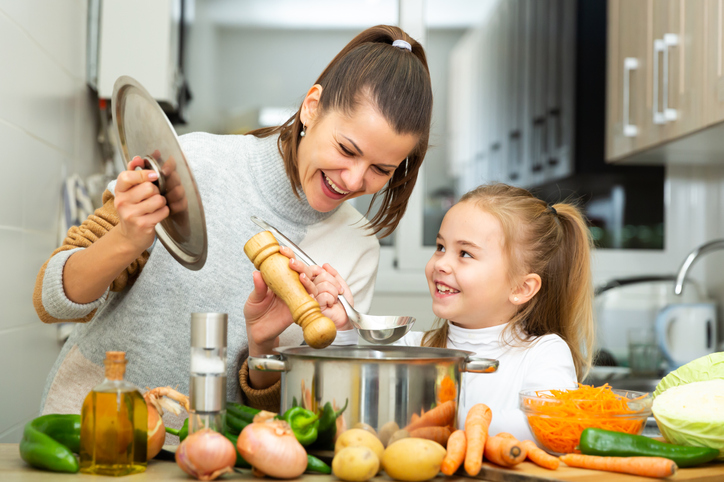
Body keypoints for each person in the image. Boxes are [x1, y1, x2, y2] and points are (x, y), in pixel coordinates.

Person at [32, 25, 433, 429]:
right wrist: (126, 239)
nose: (352, 181)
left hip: (209, 455)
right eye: (347, 150)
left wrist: (267, 342)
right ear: (312, 107)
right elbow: (52, 301)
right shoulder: (195, 162)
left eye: (381, 169)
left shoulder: (357, 248)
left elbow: (280, 417)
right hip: (90, 426)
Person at [249, 183, 595, 441]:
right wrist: (344, 326)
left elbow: (548, 428)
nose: (441, 263)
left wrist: (433, 420)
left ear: (522, 288)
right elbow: (348, 394)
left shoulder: (543, 353)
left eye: (465, 254)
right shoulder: (415, 346)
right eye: (441, 246)